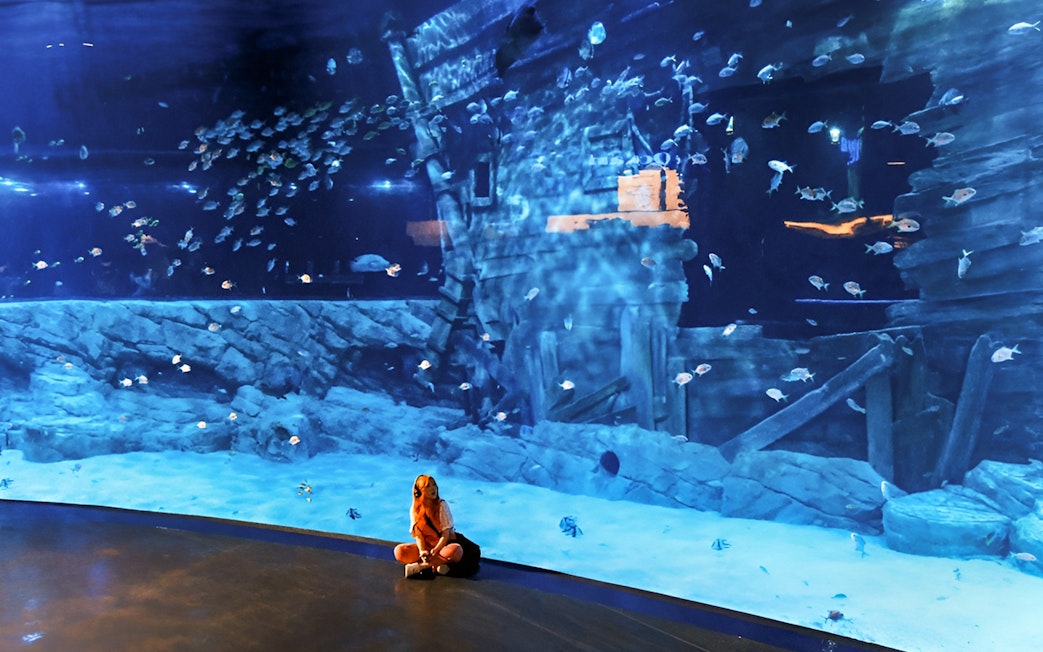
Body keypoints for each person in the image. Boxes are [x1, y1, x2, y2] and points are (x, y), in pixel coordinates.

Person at [394, 475, 464, 578]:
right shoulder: (415, 509)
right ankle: (438, 565)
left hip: (442, 547)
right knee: (399, 551)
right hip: (426, 548)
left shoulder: (441, 505)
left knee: (456, 550)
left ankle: (423, 566)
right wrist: (422, 551)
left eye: (434, 485)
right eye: (427, 486)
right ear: (419, 491)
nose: (433, 489)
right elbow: (419, 535)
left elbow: (446, 534)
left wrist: (435, 550)